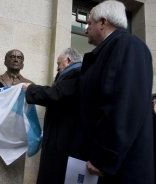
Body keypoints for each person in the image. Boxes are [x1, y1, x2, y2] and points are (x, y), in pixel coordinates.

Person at [71, 1, 154, 183]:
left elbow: (124, 104)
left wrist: (104, 156)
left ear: (103, 22)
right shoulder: (111, 49)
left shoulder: (127, 46)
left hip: (118, 170)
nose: (86, 30)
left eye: (89, 24)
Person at [22, 48, 82, 184]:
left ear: (68, 60)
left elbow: (56, 94)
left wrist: (31, 89)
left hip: (64, 140)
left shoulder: (76, 73)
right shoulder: (73, 73)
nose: (57, 68)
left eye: (58, 64)